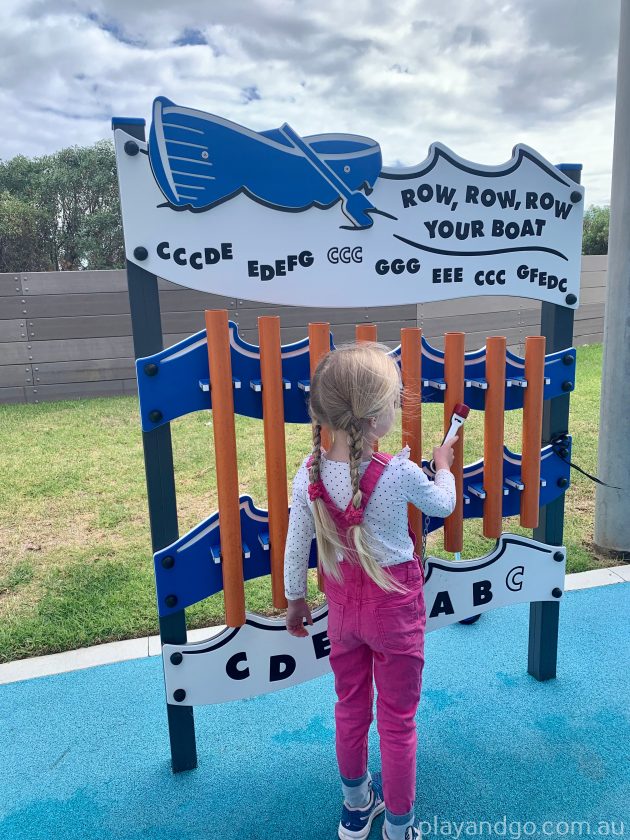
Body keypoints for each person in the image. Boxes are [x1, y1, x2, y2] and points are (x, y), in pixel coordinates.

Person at [283, 341, 458, 840]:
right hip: (395, 609)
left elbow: (297, 545)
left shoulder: (310, 472)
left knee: (349, 706)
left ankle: (357, 807)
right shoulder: (399, 473)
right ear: (377, 417)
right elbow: (442, 505)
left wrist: (296, 600)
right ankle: (400, 827)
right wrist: (443, 464)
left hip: (342, 608)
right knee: (398, 723)